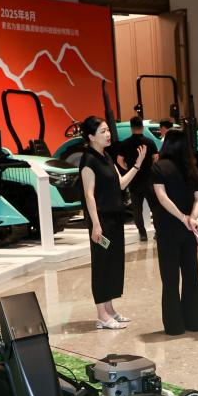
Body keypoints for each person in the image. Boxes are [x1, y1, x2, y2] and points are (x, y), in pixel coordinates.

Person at [80, 116, 146, 329]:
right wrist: (95, 224)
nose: (108, 134)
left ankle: (109, 309)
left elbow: (121, 184)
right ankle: (101, 314)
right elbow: (89, 195)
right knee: (102, 265)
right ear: (91, 137)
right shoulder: (88, 160)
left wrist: (137, 165)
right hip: (101, 221)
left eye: (108, 130)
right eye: (102, 131)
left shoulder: (106, 156)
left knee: (113, 264)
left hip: (115, 218)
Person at [151, 130, 198, 336]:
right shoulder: (192, 168)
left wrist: (183, 218)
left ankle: (174, 326)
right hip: (189, 230)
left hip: (167, 229)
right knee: (192, 276)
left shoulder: (159, 167)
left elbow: (162, 197)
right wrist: (192, 218)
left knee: (170, 279)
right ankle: (195, 321)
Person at [118, 116, 158, 243]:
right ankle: (158, 231)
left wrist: (127, 168)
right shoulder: (150, 142)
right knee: (155, 207)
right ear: (142, 126)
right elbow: (156, 158)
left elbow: (119, 159)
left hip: (134, 180)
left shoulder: (125, 143)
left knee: (137, 209)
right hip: (148, 180)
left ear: (131, 128)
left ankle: (142, 233)